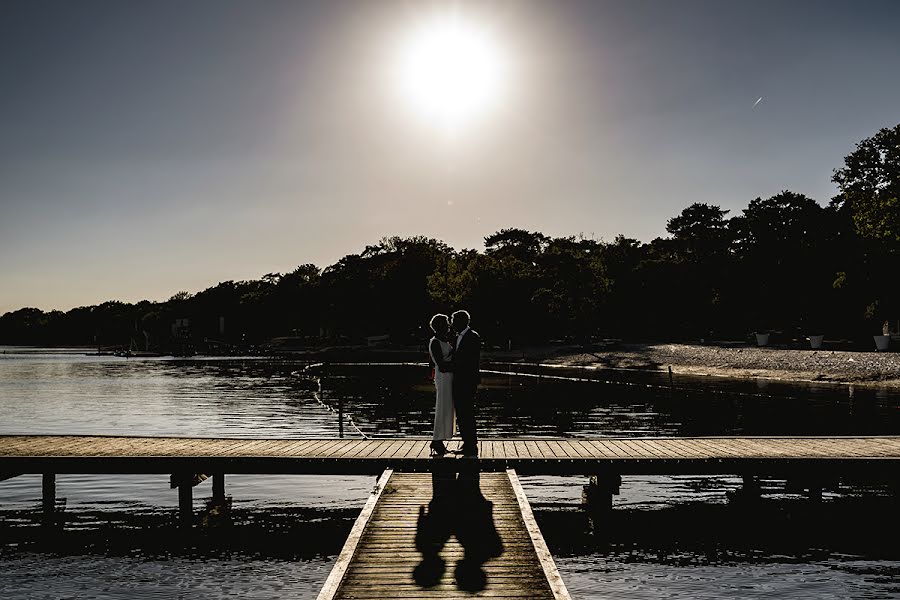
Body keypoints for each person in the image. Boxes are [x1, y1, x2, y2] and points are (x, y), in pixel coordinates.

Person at [450, 310, 481, 457]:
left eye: (453, 320)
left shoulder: (472, 337)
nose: (451, 323)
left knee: (467, 413)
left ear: (462, 321)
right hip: (459, 381)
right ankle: (467, 442)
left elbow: (470, 361)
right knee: (462, 414)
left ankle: (471, 444)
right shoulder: (458, 337)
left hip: (467, 382)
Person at [428, 313, 455, 457]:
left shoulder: (444, 340)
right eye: (446, 323)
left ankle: (440, 440)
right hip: (443, 377)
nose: (448, 326)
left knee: (447, 408)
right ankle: (436, 440)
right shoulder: (435, 342)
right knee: (442, 407)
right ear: (439, 326)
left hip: (449, 378)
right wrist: (458, 365)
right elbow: (441, 365)